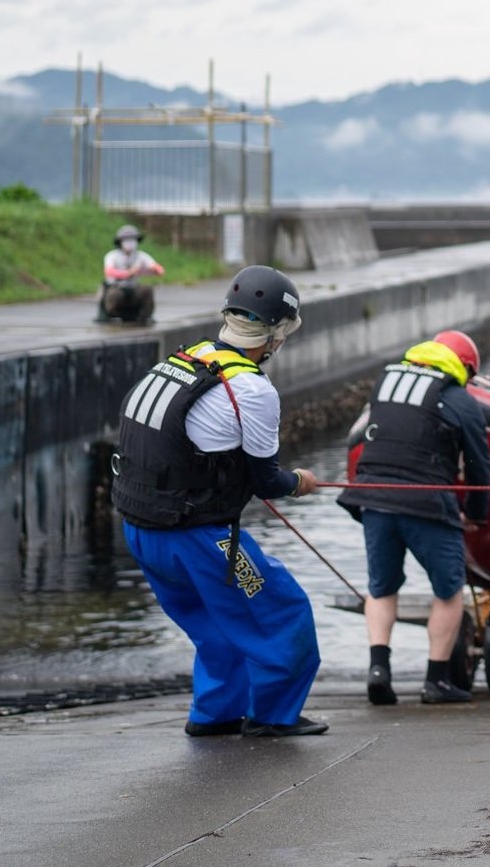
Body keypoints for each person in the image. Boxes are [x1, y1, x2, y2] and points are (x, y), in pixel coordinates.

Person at [111, 265, 327, 737]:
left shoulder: (185, 356)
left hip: (139, 527)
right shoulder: (252, 388)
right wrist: (300, 481)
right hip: (200, 538)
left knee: (214, 623)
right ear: (275, 334)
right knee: (282, 611)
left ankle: (215, 715)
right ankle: (272, 716)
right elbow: (268, 480)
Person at [338, 330, 490, 706]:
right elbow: (479, 465)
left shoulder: (386, 381)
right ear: (465, 368)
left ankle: (379, 670)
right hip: (426, 503)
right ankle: (436, 681)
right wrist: (476, 514)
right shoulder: (458, 398)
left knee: (381, 588)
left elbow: (356, 437)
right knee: (448, 590)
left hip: (372, 497)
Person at [99, 224, 165, 323]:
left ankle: (144, 316)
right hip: (116, 287)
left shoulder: (141, 256)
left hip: (133, 287)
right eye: (127, 240)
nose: (130, 243)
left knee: (147, 290)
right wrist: (127, 273)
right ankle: (111, 314)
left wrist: (155, 269)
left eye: (132, 240)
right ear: (120, 242)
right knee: (113, 295)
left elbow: (156, 267)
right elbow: (109, 271)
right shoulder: (112, 256)